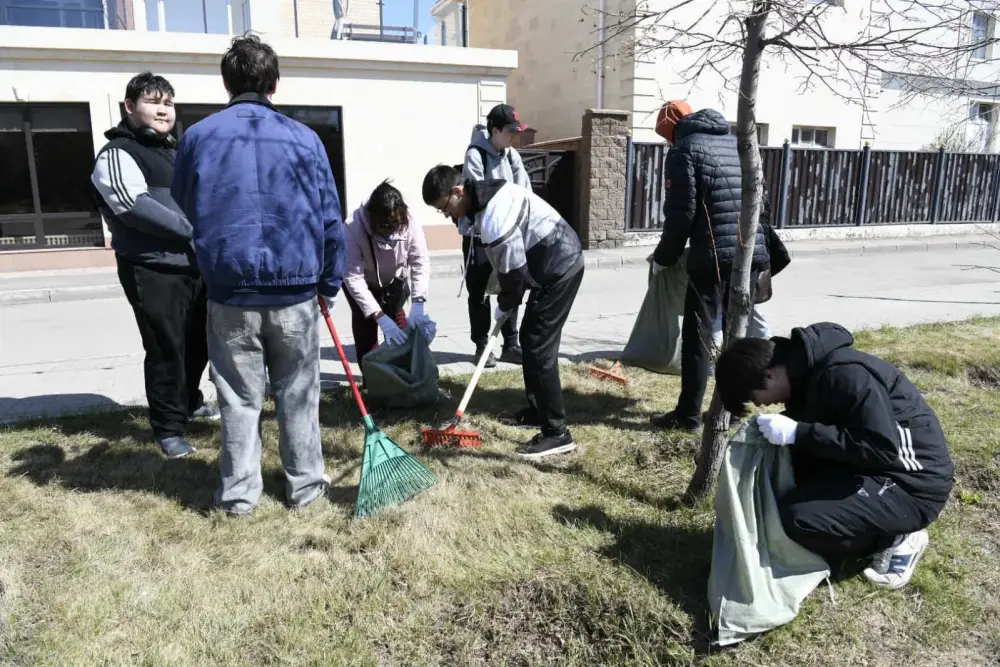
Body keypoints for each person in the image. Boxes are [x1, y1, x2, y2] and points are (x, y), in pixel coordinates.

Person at [171, 35, 345, 515]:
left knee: (238, 398)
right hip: (294, 294)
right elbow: (331, 219)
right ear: (274, 82)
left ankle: (239, 496)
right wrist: (328, 283)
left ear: (227, 81)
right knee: (298, 393)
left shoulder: (198, 137)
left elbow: (184, 209)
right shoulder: (305, 139)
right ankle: (306, 490)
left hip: (230, 292)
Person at [714, 322, 954, 589]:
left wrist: (800, 433)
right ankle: (871, 525)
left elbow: (880, 448)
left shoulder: (844, 375)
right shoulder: (804, 377)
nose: (760, 404)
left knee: (798, 520)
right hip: (872, 469)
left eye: (754, 396)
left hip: (912, 483)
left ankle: (895, 538)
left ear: (769, 375)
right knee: (789, 497)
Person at [91, 71, 216, 460]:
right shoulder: (117, 154)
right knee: (166, 348)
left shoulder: (177, 152)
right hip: (151, 268)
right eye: (153, 102)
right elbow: (132, 204)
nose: (163, 110)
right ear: (130, 107)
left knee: (198, 345)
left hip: (194, 267)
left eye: (168, 103)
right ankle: (168, 429)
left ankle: (188, 402)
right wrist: (192, 231)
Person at [423, 165, 583, 459]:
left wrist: (505, 305)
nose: (447, 215)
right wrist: (506, 301)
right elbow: (508, 270)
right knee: (531, 339)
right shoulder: (483, 200)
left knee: (537, 345)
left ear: (458, 192)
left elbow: (514, 276)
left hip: (561, 266)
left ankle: (557, 433)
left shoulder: (495, 216)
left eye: (445, 207)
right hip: (546, 264)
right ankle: (539, 411)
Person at [648, 100, 770, 433]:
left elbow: (681, 217)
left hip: (715, 258)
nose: (668, 143)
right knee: (738, 335)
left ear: (671, 130)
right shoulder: (736, 142)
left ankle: (688, 416)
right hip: (752, 251)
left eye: (665, 137)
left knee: (699, 337)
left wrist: (663, 259)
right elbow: (761, 196)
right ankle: (731, 411)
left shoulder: (684, 151)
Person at [459, 103, 533, 369]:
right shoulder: (475, 155)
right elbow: (477, 197)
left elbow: (524, 190)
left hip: (507, 235)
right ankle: (482, 346)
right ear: (495, 129)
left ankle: (510, 344)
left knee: (510, 285)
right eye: (509, 132)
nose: (513, 137)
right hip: (479, 236)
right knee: (478, 292)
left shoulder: (511, 155)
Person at [343, 179, 435, 361]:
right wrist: (379, 317)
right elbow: (353, 277)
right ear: (371, 217)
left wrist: (418, 303)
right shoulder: (352, 228)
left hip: (393, 283)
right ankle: (372, 381)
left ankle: (403, 375)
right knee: (366, 333)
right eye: (383, 226)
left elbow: (419, 261)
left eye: (395, 225)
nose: (390, 231)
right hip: (364, 283)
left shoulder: (409, 222)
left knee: (401, 331)